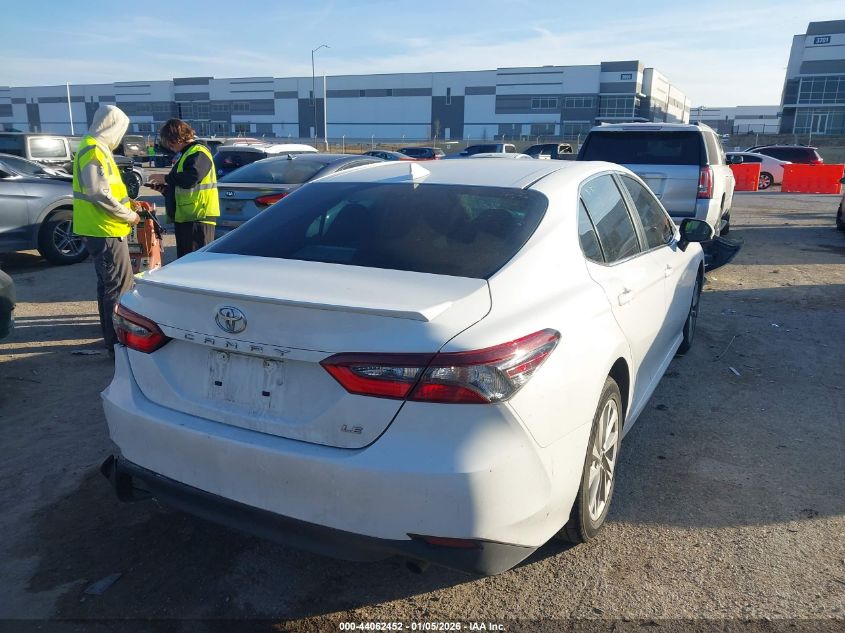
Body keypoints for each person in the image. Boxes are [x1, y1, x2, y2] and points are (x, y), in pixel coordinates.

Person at [71, 105, 144, 357]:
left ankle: (112, 341)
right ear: (114, 126)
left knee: (108, 286)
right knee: (119, 288)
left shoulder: (92, 147)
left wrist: (127, 204)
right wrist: (130, 215)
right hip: (105, 230)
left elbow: (103, 190)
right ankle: (118, 345)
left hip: (101, 228)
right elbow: (97, 193)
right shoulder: (94, 149)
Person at [147, 119, 219, 258]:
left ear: (177, 138)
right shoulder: (187, 153)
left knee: (195, 265)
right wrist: (166, 190)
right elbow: (184, 186)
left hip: (198, 218)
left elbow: (191, 178)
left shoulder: (199, 152)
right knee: (186, 263)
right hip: (187, 217)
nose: (169, 146)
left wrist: (166, 178)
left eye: (169, 141)